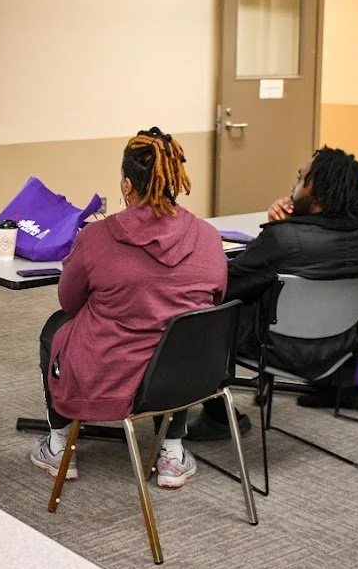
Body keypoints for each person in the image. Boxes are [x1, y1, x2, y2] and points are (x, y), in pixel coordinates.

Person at [32, 129, 226, 489]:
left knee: (54, 329)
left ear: (126, 185)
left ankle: (59, 445)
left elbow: (69, 302)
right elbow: (213, 303)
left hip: (107, 374)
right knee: (183, 333)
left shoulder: (95, 238)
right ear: (175, 181)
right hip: (179, 379)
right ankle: (171, 450)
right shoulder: (209, 237)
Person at [201, 147, 358, 421]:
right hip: (339, 347)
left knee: (200, 308)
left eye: (300, 179)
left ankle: (216, 415)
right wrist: (291, 223)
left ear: (317, 192)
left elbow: (225, 281)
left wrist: (279, 230)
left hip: (276, 348)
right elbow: (311, 248)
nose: (292, 186)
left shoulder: (285, 239)